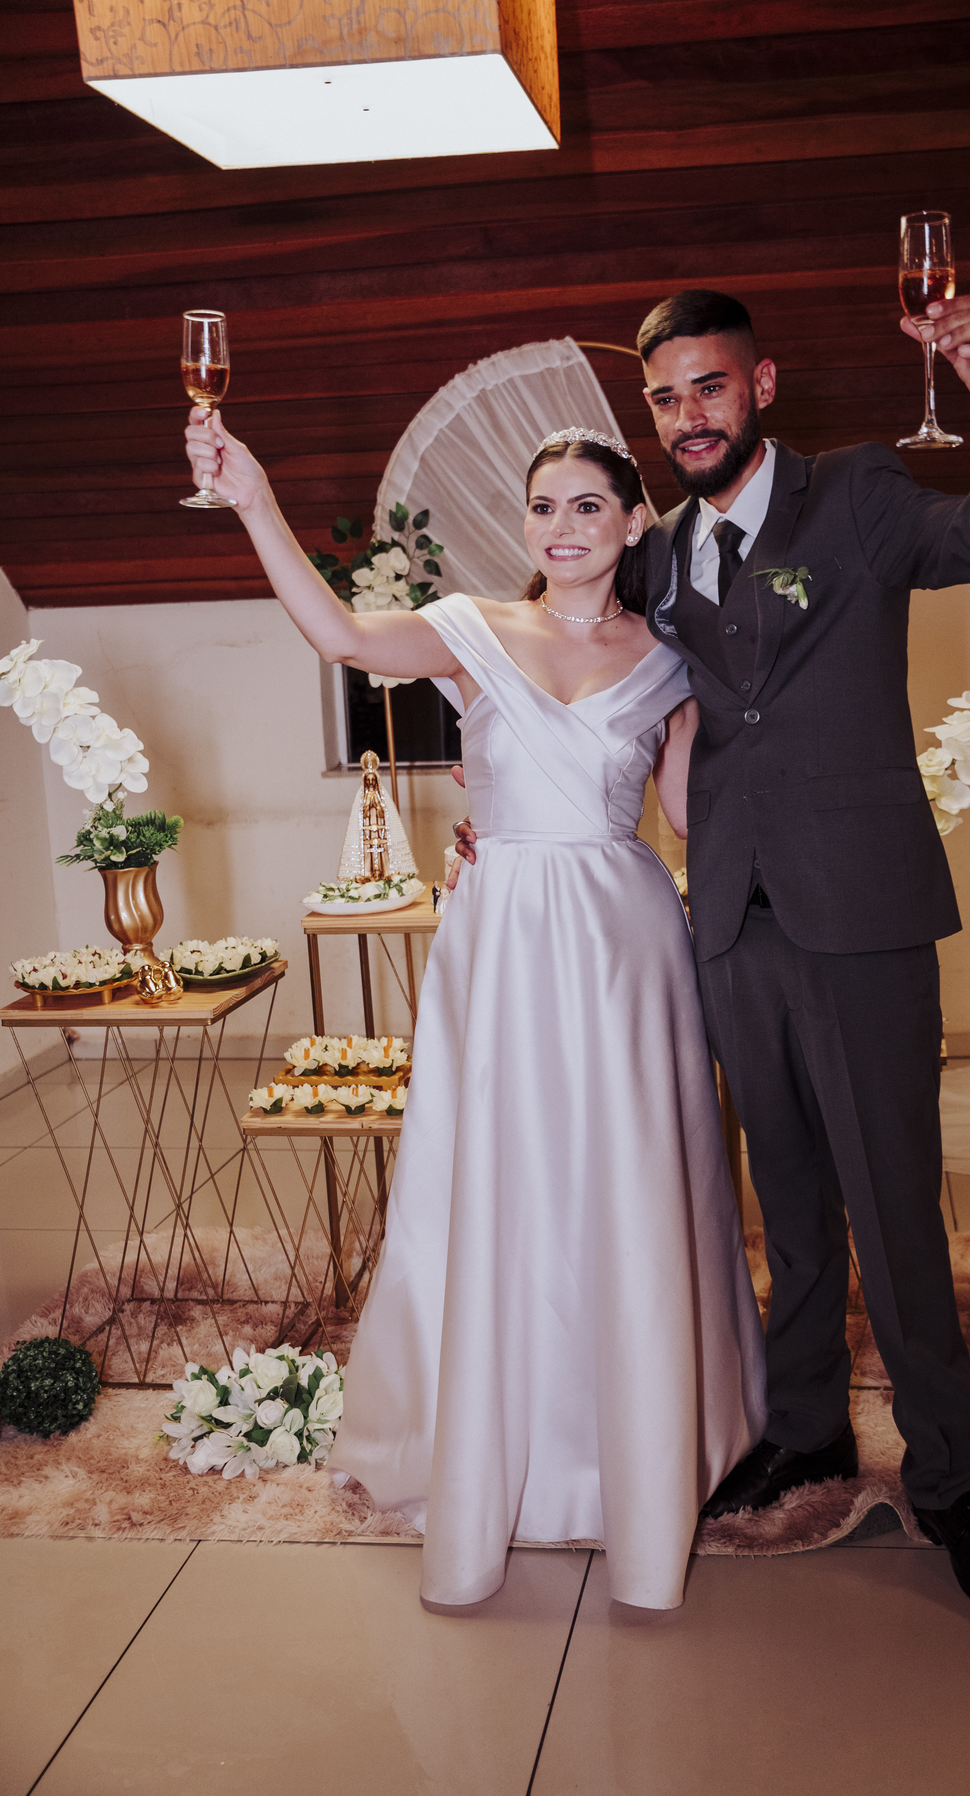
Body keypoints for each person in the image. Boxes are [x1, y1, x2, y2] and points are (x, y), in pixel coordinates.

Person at [183, 412, 767, 1610]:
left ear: (633, 522)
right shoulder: (471, 628)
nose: (563, 527)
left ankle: (633, 1455)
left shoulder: (671, 660)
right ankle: (493, 1448)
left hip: (625, 942)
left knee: (627, 1182)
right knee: (502, 1177)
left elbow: (690, 814)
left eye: (588, 506)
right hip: (501, 938)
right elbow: (341, 633)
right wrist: (253, 500)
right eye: (544, 507)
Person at [634, 287, 970, 1624]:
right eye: (666, 398)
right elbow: (578, 676)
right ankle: (809, 1429)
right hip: (731, 922)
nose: (690, 416)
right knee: (792, 1207)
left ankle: (945, 1478)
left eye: (710, 386)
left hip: (863, 917)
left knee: (894, 1209)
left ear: (762, 385)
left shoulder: (858, 495)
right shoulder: (656, 557)